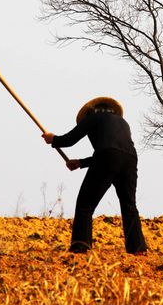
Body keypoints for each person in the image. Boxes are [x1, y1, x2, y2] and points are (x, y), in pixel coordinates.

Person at [42, 97, 147, 254]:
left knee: (85, 204)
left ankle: (80, 245)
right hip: (130, 159)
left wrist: (54, 139)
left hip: (107, 157)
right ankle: (137, 248)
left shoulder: (93, 117)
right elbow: (114, 151)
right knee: (129, 205)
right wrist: (80, 163)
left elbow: (71, 139)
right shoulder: (123, 123)